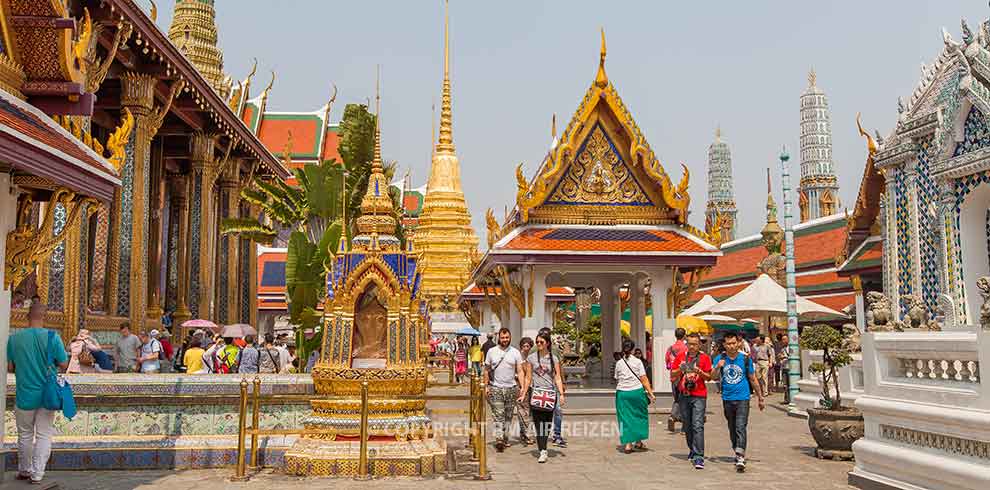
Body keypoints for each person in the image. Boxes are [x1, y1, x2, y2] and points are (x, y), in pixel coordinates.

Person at [7, 301, 67, 484]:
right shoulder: (52, 337)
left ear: (26, 316)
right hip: (47, 397)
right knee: (43, 434)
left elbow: (10, 367)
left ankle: (24, 470)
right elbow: (64, 364)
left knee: (24, 434)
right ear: (45, 317)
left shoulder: (14, 339)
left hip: (24, 394)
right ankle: (37, 474)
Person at [713, 332, 765, 472]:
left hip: (743, 398)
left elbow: (752, 378)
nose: (731, 346)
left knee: (740, 426)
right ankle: (737, 448)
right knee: (732, 427)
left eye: (733, 343)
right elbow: (712, 376)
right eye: (728, 344)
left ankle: (740, 456)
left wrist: (760, 397)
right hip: (727, 398)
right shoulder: (720, 358)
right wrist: (718, 366)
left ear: (738, 343)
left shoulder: (745, 359)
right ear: (724, 345)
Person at [520, 331, 565, 463]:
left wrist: (561, 394)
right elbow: (528, 378)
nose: (539, 344)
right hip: (536, 394)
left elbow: (557, 377)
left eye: (541, 342)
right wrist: (523, 393)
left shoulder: (553, 359)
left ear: (548, 344)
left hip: (550, 394)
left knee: (547, 423)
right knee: (538, 423)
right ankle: (543, 450)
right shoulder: (531, 358)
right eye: (537, 342)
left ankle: (543, 445)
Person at [670, 332, 713, 469]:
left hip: (699, 395)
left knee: (697, 425)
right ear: (686, 344)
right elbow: (672, 374)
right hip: (684, 394)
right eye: (690, 344)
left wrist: (699, 371)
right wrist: (680, 369)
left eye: (695, 344)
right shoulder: (681, 357)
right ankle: (692, 449)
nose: (692, 346)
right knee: (687, 425)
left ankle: (699, 456)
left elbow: (709, 377)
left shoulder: (705, 358)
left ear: (699, 344)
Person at [482, 327, 525, 452]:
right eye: (502, 337)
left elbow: (520, 371)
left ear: (510, 338)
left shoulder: (515, 352)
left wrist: (522, 387)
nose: (505, 340)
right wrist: (486, 386)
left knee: (508, 416)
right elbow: (486, 370)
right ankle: (499, 438)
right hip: (496, 387)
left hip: (511, 388)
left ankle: (505, 438)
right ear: (498, 338)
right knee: (498, 414)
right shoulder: (491, 351)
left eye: (507, 337)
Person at [616, 340, 655, 454]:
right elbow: (644, 379)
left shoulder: (619, 363)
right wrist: (651, 393)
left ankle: (628, 444)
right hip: (637, 392)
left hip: (622, 393)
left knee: (624, 418)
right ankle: (638, 441)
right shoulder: (638, 362)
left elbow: (617, 378)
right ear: (633, 350)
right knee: (639, 416)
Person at [665, 327, 688, 431]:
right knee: (685, 400)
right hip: (683, 377)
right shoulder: (686, 348)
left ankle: (673, 417)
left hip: (673, 376)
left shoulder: (670, 348)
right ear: (684, 336)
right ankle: (682, 423)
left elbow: (667, 362)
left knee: (677, 399)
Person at [514, 337, 535, 446]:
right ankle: (528, 435)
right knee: (522, 411)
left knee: (528, 412)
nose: (526, 348)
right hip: (520, 386)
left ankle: (524, 433)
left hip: (532, 387)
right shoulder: (518, 357)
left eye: (528, 346)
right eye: (524, 346)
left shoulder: (534, 358)